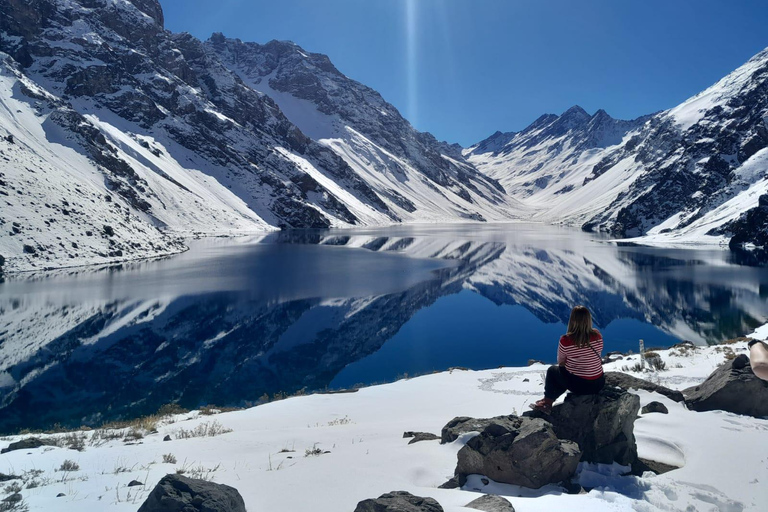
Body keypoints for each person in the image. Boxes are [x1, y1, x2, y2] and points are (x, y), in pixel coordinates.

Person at [531, 305, 605, 413]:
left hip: (581, 386)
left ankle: (547, 402)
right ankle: (549, 400)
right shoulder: (597, 335)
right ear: (588, 320)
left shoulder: (566, 340)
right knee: (566, 375)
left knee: (553, 371)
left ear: (572, 320)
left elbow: (561, 361)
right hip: (599, 383)